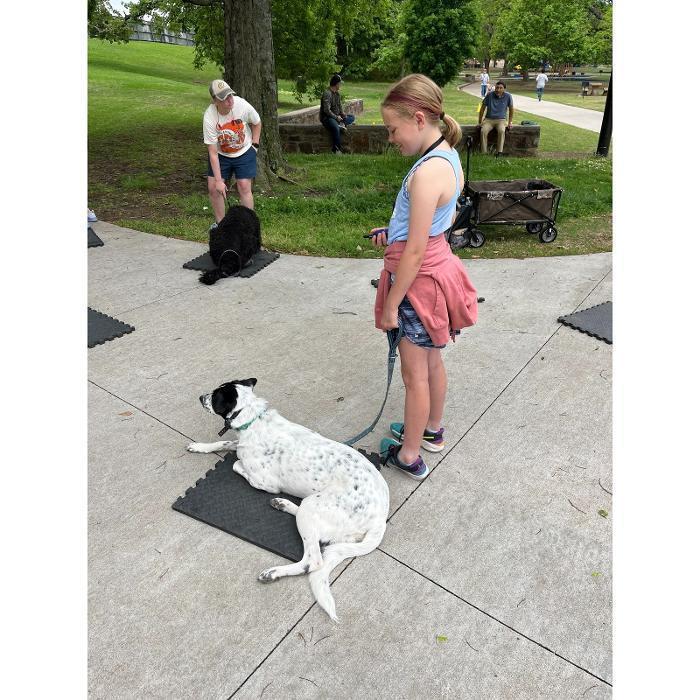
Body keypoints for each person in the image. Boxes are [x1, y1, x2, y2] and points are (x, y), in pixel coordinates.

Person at [369, 74, 479, 480]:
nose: (391, 138)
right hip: (436, 274)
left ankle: (409, 454)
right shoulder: (447, 155)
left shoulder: (426, 172)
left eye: (392, 129)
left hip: (418, 286)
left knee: (414, 376)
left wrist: (392, 305)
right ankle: (431, 430)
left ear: (418, 119)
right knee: (432, 362)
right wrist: (391, 233)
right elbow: (433, 226)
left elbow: (415, 251)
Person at [203, 79, 261, 225]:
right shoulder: (209, 117)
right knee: (214, 189)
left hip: (245, 150)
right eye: (224, 98)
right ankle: (221, 226)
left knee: (244, 185)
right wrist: (218, 181)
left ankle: (248, 226)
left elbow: (257, 122)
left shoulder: (241, 104)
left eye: (230, 95)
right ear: (215, 101)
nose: (230, 100)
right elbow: (213, 153)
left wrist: (255, 145)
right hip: (221, 154)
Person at [319, 74, 355, 154]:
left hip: (337, 117)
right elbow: (326, 110)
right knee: (335, 128)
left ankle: (341, 123)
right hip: (327, 118)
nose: (341, 85)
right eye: (340, 83)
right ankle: (336, 149)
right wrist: (336, 117)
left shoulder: (337, 93)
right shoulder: (327, 93)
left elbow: (339, 106)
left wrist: (343, 114)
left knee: (352, 117)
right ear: (337, 84)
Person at [477, 80, 514, 157]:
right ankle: (484, 153)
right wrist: (480, 122)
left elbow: (511, 109)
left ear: (504, 89)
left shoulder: (508, 96)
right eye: (497, 88)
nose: (498, 90)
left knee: (502, 130)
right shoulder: (490, 95)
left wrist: (510, 122)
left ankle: (499, 152)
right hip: (488, 120)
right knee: (483, 131)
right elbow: (482, 109)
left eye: (501, 88)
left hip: (501, 120)